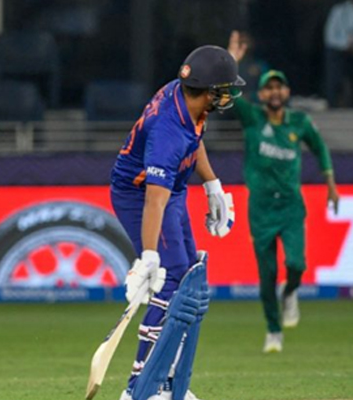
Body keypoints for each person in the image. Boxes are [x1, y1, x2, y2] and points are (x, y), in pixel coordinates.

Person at [111, 45, 243, 400]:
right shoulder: (168, 132)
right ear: (208, 90)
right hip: (140, 195)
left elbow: (194, 139)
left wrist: (212, 184)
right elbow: (155, 197)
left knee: (187, 281)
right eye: (224, 90)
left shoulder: (188, 97)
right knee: (168, 285)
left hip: (173, 189)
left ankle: (169, 385)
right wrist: (149, 257)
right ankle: (139, 388)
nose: (227, 96)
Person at [227, 31, 339, 353]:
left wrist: (330, 184)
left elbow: (320, 149)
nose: (275, 92)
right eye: (269, 87)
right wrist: (232, 60)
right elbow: (231, 95)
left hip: (291, 207)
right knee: (267, 275)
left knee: (296, 264)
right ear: (261, 94)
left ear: (287, 92)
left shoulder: (299, 122)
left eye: (279, 86)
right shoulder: (252, 119)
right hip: (260, 209)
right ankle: (273, 330)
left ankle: (291, 292)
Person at [324, 0, 353, 107]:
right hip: (338, 49)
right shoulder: (339, 11)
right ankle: (333, 103)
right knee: (335, 76)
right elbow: (330, 35)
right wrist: (346, 44)